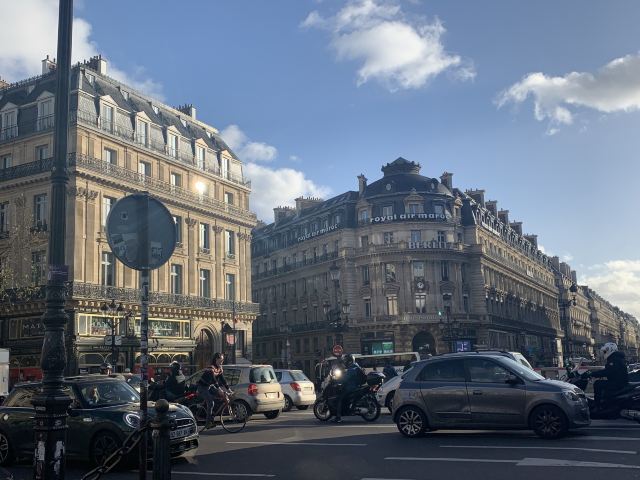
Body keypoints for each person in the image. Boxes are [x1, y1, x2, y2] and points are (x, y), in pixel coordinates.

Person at [197, 353, 232, 429]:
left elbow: (222, 379)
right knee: (211, 402)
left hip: (210, 386)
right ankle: (208, 423)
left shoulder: (219, 368)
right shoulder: (211, 368)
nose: (222, 362)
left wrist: (229, 389)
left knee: (223, 395)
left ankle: (212, 415)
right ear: (216, 359)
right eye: (221, 360)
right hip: (202, 387)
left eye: (223, 360)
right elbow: (214, 380)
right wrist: (219, 389)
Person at [334, 354, 365, 423]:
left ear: (349, 361)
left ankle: (338, 417)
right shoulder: (356, 366)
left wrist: (337, 381)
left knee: (339, 399)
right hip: (356, 386)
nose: (345, 362)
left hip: (351, 387)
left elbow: (345, 379)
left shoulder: (351, 369)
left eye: (346, 360)